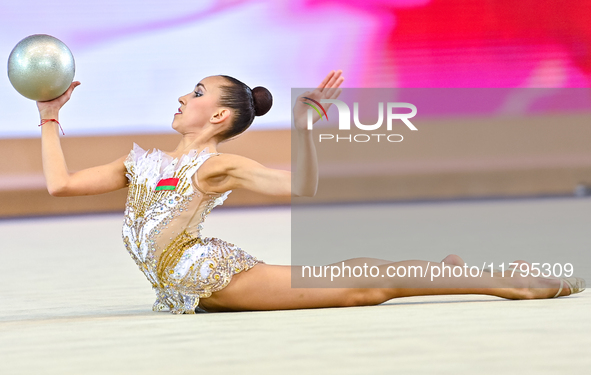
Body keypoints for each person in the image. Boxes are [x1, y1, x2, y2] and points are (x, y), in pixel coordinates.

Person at [36, 70, 585, 314]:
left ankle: (503, 283)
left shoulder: (215, 167)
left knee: (363, 286)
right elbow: (60, 185)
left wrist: (304, 129)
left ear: (220, 115)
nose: (184, 95)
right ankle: (444, 270)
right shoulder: (141, 162)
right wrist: (49, 118)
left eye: (198, 92)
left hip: (210, 275)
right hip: (189, 285)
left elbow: (301, 186)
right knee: (359, 280)